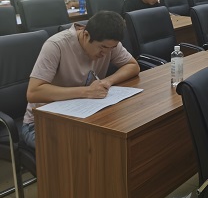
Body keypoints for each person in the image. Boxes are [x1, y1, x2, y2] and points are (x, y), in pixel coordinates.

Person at [22, 11, 140, 149]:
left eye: (112, 48)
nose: (106, 53)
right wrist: (87, 92)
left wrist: (107, 81)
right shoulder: (56, 45)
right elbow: (34, 92)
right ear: (86, 34)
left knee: (119, 139)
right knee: (82, 151)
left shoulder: (109, 43)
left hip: (82, 116)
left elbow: (133, 66)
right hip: (41, 122)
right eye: (102, 48)